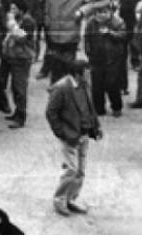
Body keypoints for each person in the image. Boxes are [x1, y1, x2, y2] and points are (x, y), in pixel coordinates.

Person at [45, 59, 103, 217]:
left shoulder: (84, 85)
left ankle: (71, 199)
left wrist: (96, 126)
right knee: (71, 170)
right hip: (70, 136)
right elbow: (51, 112)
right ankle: (59, 199)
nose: (89, 74)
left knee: (81, 170)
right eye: (86, 71)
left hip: (84, 134)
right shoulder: (62, 87)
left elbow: (90, 108)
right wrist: (61, 133)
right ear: (78, 73)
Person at [2, 7, 37, 128]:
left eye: (14, 8)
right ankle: (17, 112)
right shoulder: (20, 19)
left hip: (22, 58)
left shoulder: (28, 21)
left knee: (20, 88)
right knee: (14, 87)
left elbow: (22, 38)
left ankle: (21, 117)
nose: (11, 10)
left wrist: (12, 25)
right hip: (15, 57)